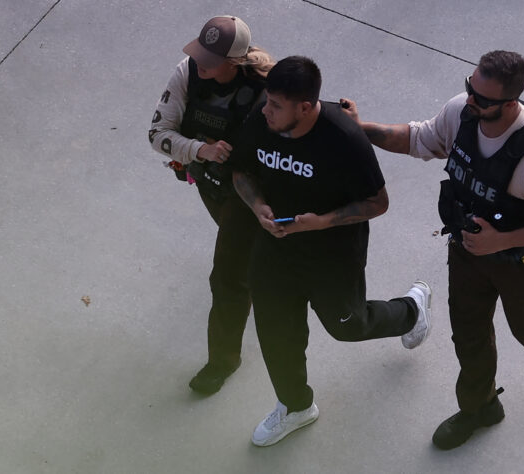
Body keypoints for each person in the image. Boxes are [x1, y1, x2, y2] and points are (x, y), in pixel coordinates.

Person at [340, 50, 524, 450]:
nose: (470, 100)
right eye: (469, 88)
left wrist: (501, 240)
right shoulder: (462, 111)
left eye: (482, 98)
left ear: (511, 102)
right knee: (468, 332)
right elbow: (419, 138)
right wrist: (360, 130)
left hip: (520, 262)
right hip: (466, 250)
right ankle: (479, 407)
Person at [230, 56, 432, 447]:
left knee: (347, 326)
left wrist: (322, 221)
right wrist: (257, 207)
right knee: (276, 330)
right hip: (277, 246)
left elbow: (377, 202)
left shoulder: (344, 138)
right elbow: (241, 171)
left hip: (332, 255)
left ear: (305, 107)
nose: (266, 111)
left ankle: (411, 310)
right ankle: (295, 406)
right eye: (267, 101)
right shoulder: (261, 119)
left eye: (276, 105)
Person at [148, 16, 275, 395]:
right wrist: (200, 151)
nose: (200, 61)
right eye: (200, 51)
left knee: (227, 278)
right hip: (209, 181)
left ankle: (222, 361)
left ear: (234, 61)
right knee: (240, 259)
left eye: (211, 58)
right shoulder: (187, 73)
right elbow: (157, 134)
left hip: (250, 191)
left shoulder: (267, 90)